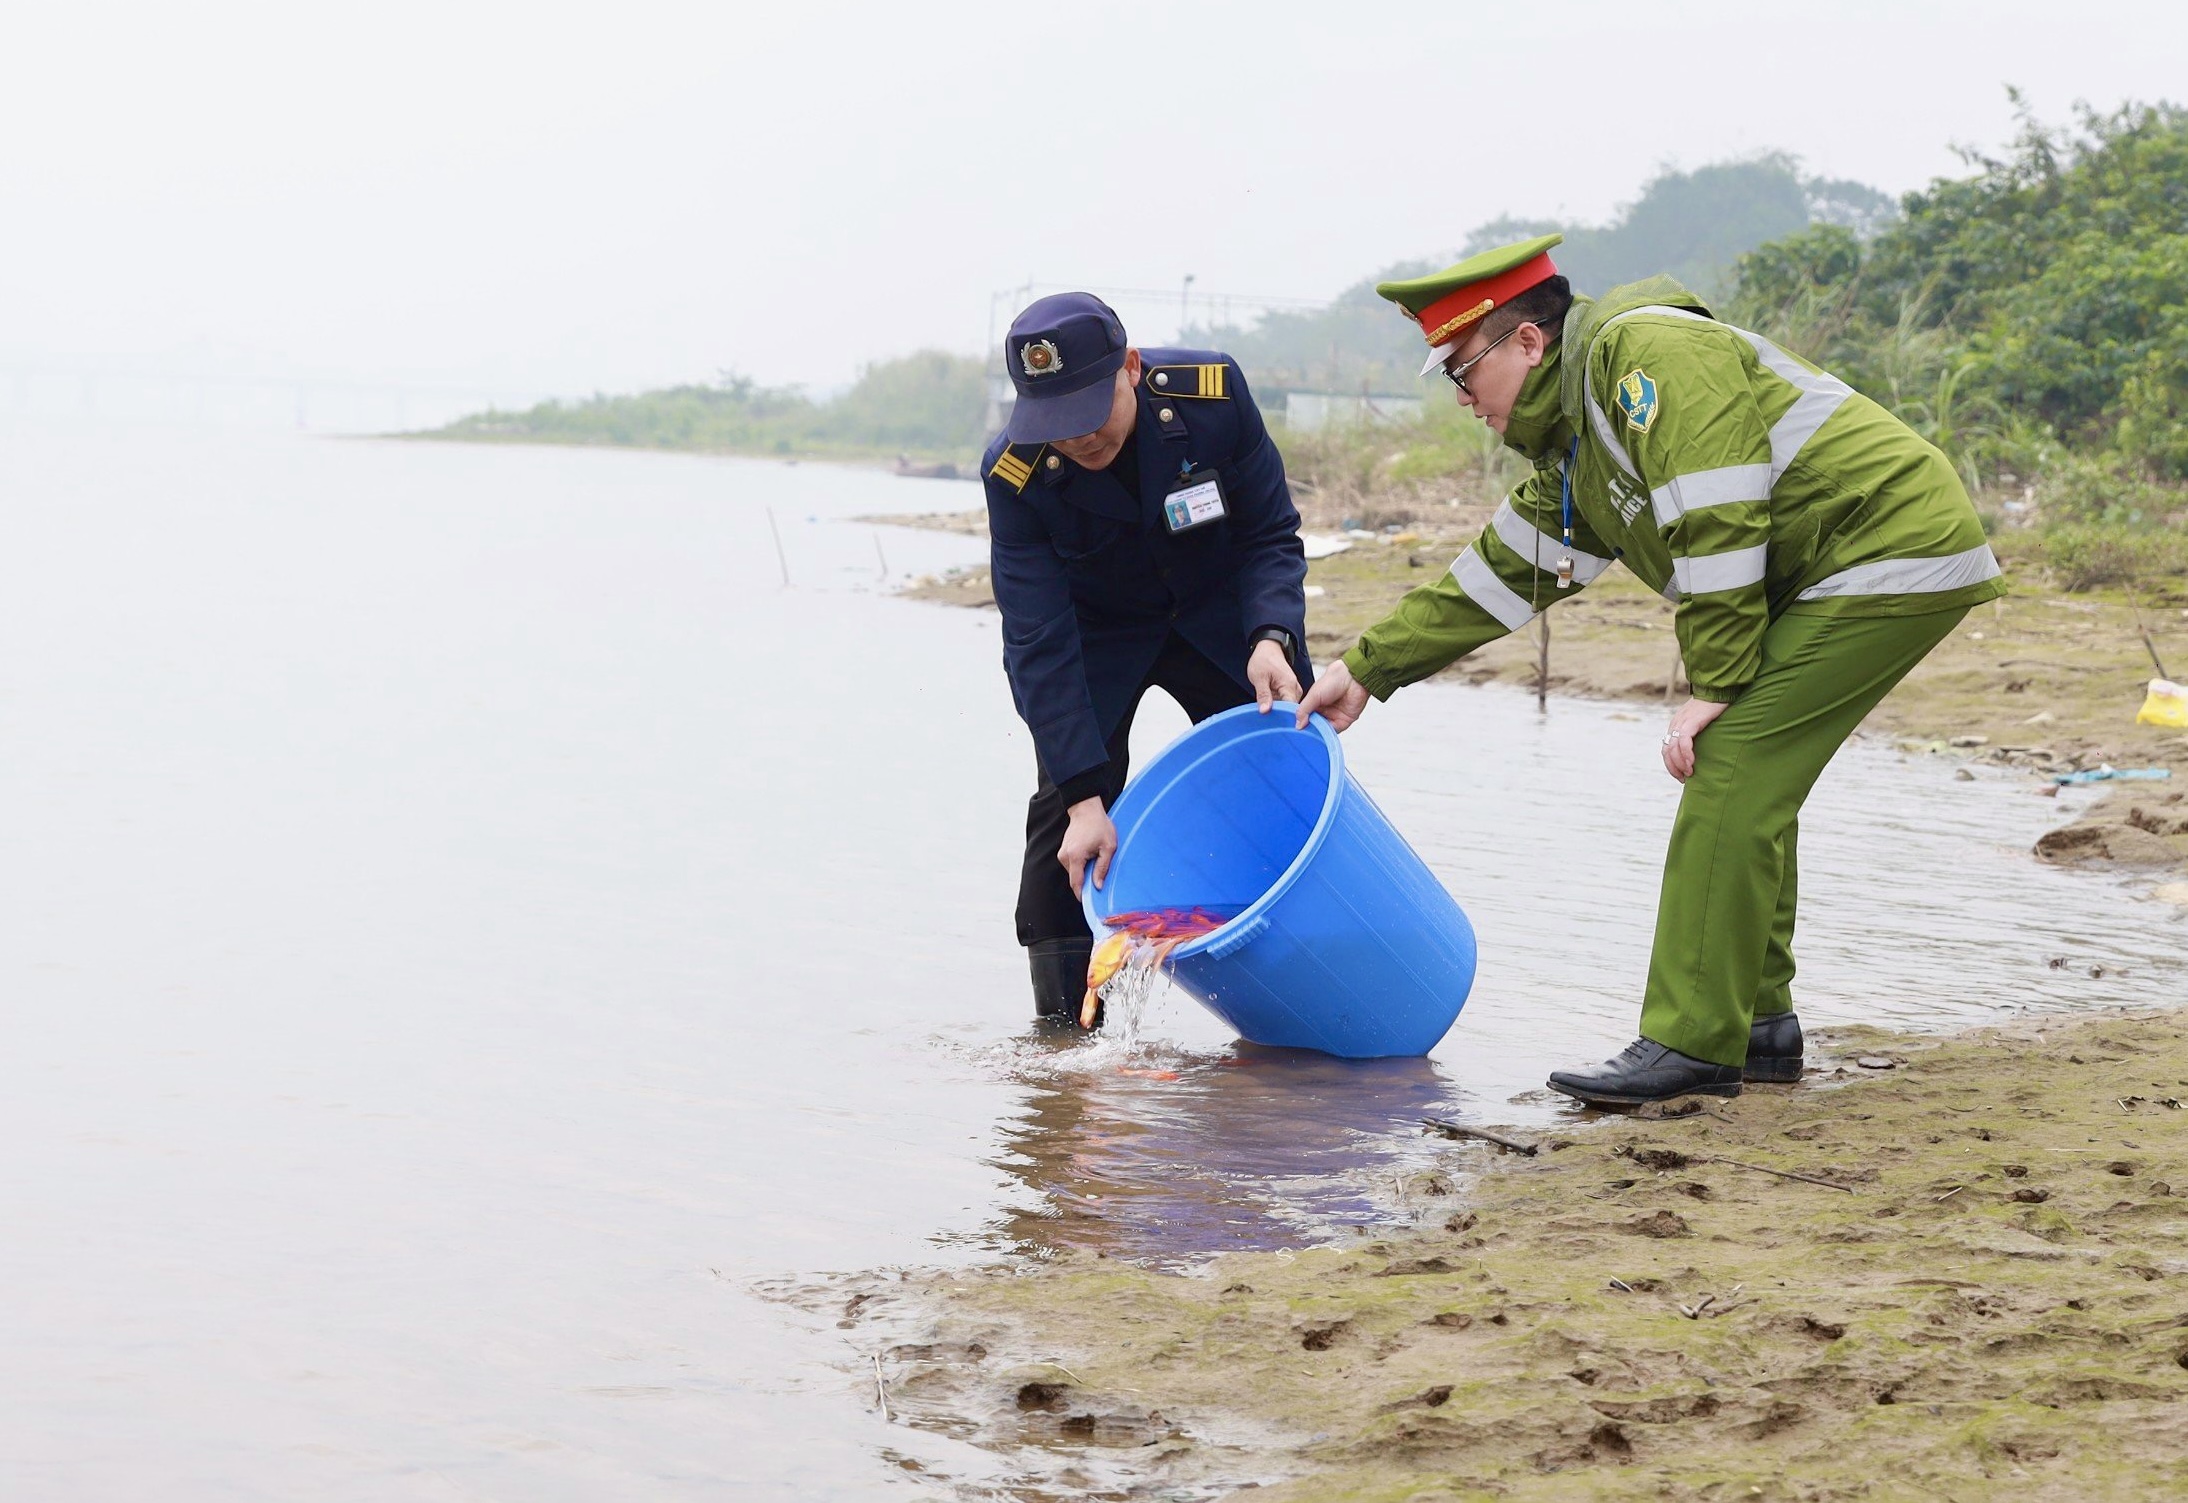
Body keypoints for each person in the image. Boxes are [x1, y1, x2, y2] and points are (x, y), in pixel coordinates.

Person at [1296, 235, 2005, 1105]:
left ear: (1527, 342)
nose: (1462, 398)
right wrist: (1366, 669)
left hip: (1884, 545)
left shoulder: (1646, 354)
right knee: (1751, 778)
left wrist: (1713, 683)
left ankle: (1691, 1044)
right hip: (1830, 569)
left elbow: (1720, 507)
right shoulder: (1576, 447)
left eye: (1462, 370)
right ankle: (1756, 1022)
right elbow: (1496, 579)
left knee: (1733, 766)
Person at [982, 292, 1312, 1020]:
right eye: (1057, 425)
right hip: (1100, 632)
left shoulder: (1212, 398)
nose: (1078, 439)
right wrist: (1083, 797)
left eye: (1090, 415)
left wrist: (1272, 635)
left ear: (1131, 368)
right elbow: (1036, 635)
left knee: (1285, 780)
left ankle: (1301, 996)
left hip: (1226, 618)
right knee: (1066, 827)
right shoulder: (1015, 470)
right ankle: (1064, 1038)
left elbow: (1269, 534)